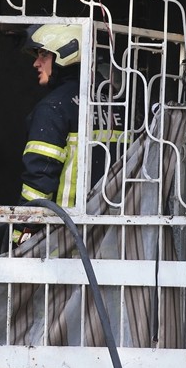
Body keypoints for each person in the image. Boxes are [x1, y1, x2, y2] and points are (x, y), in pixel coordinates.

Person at [8, 23, 125, 248]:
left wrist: (22, 233)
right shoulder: (118, 102)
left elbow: (38, 179)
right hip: (114, 235)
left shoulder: (53, 107)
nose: (36, 62)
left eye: (43, 54)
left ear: (66, 54)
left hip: (67, 236)